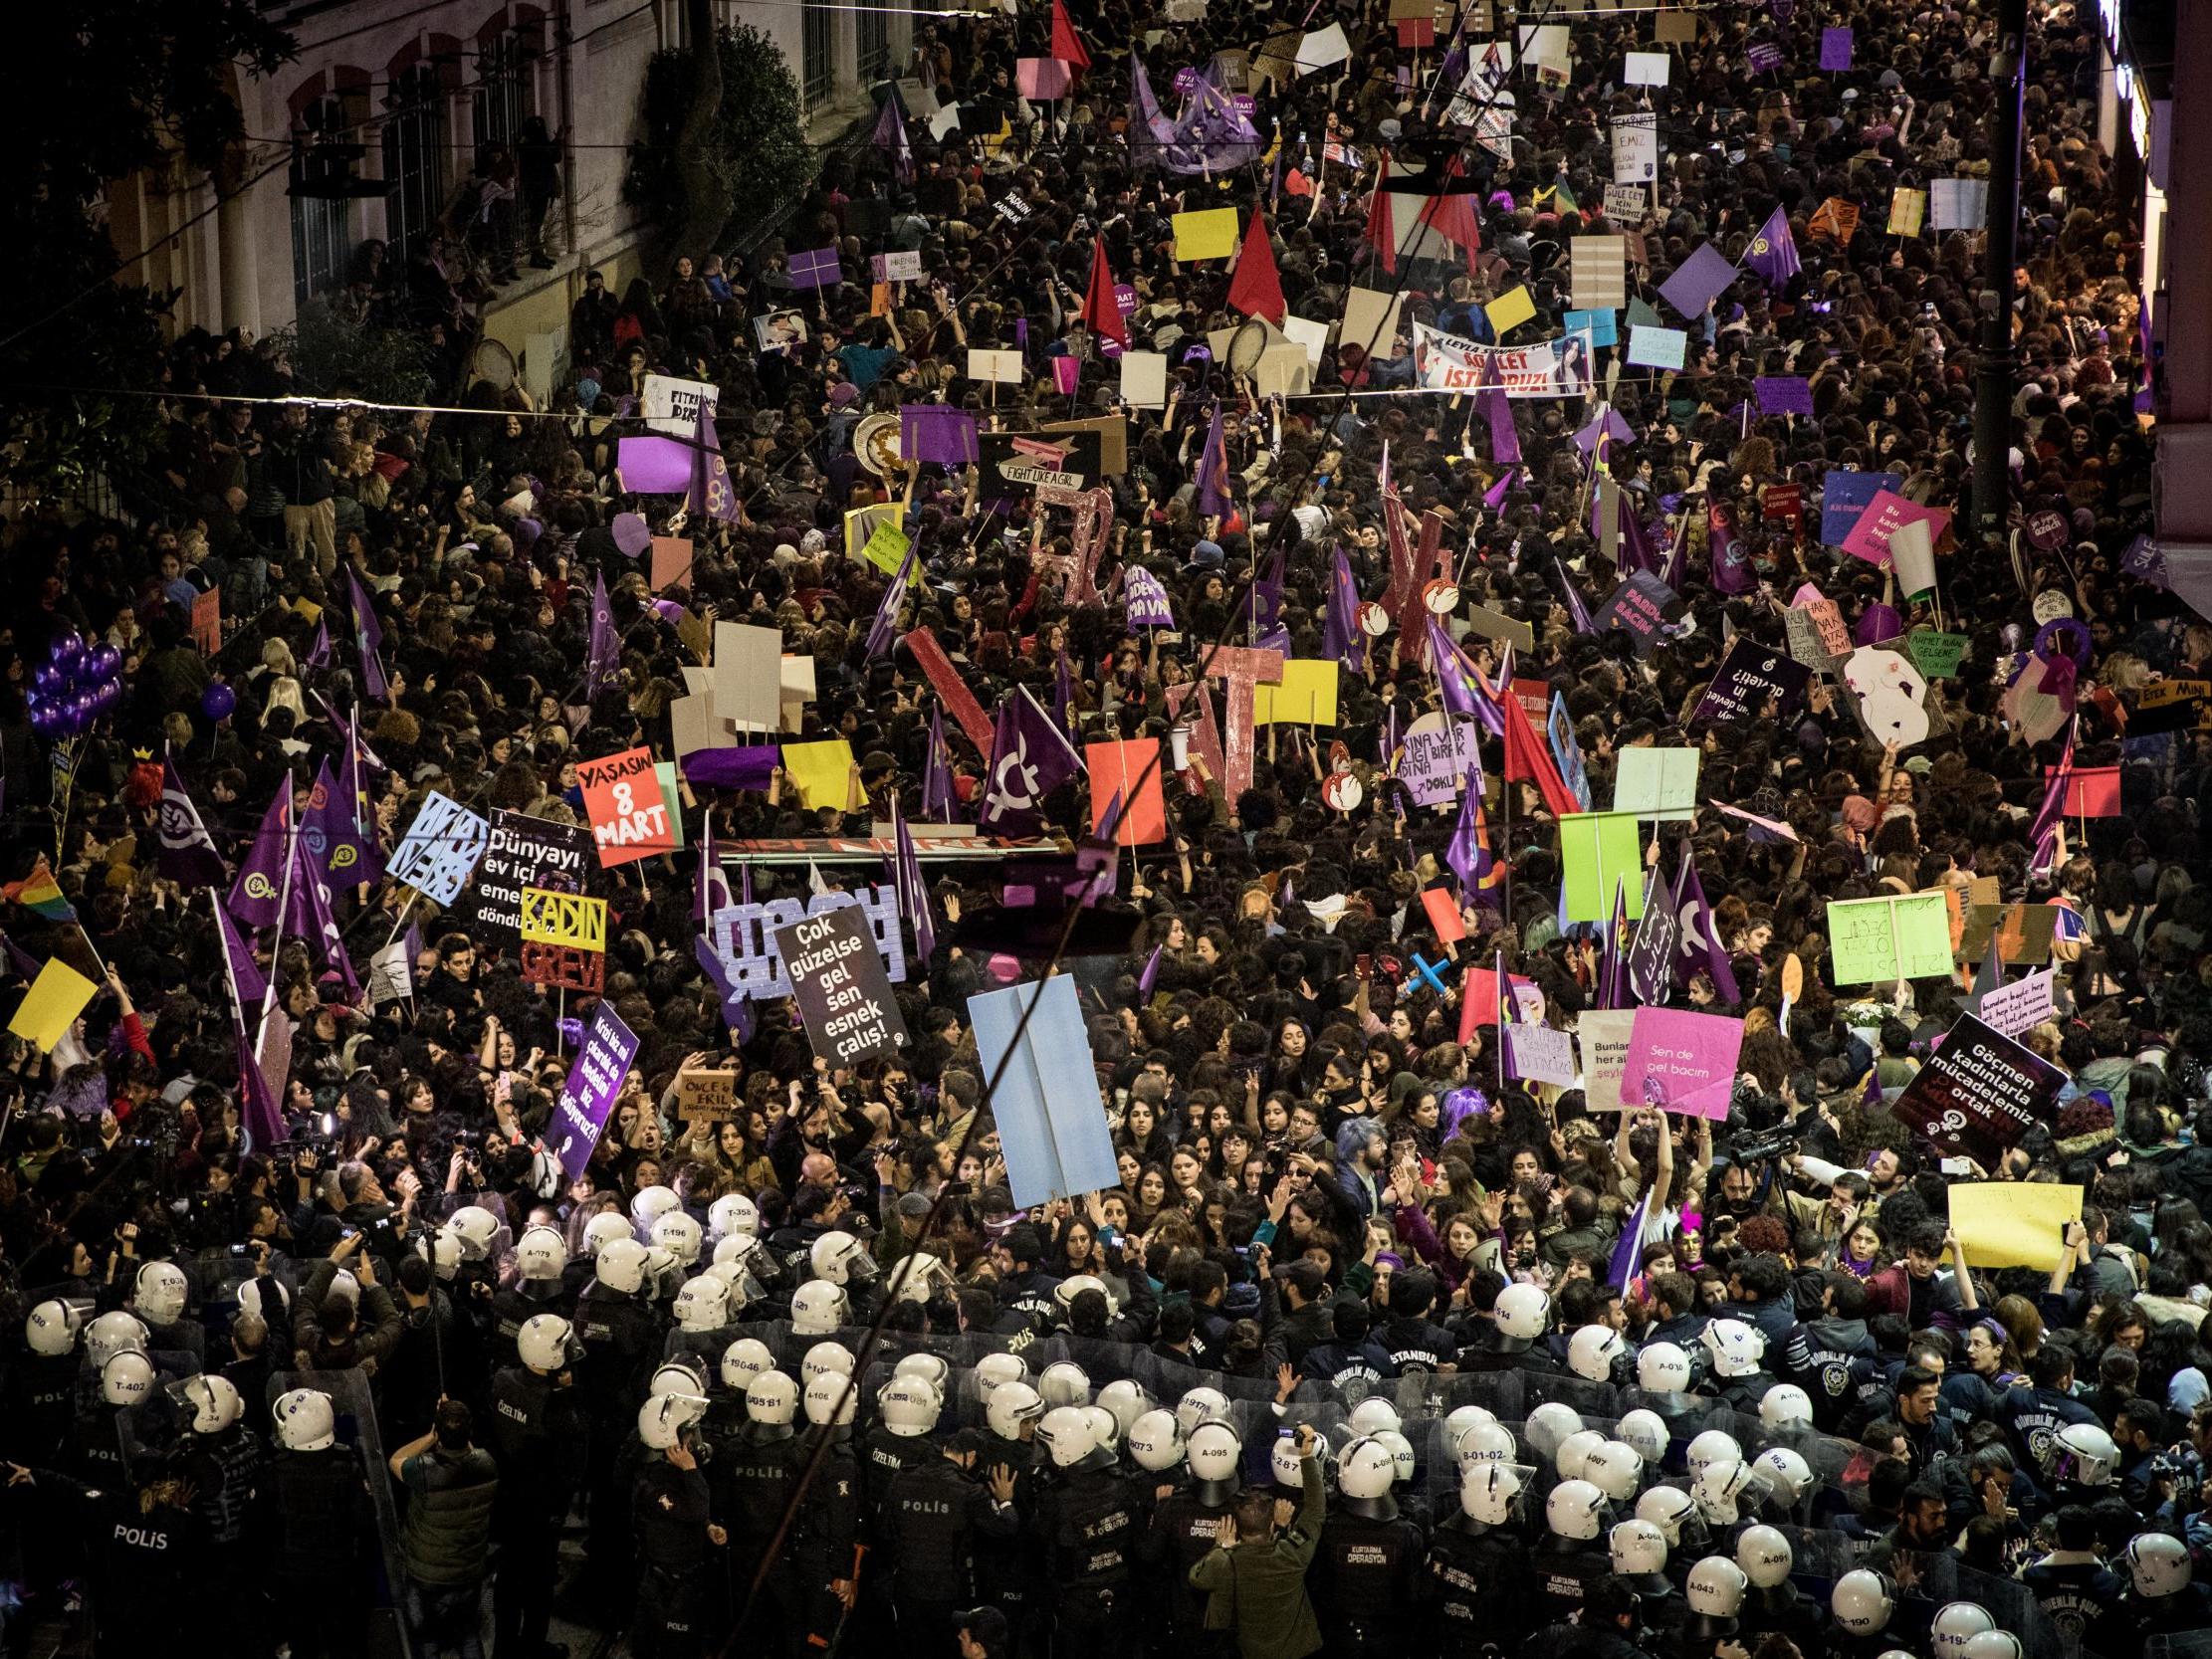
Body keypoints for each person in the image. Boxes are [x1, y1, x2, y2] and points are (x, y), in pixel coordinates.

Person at [1189, 1422, 1325, 1659]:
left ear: (1236, 1530)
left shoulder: (1225, 1563)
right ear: (1272, 1525)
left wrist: (1220, 1546)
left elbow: (1196, 1578)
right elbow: (1315, 1510)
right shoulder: (1292, 1554)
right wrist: (1306, 1457)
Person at [389, 1400, 501, 1659]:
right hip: (468, 1569)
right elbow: (469, 1452)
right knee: (468, 1635)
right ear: (469, 1433)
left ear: (439, 1435)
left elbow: (396, 1459)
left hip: (426, 1575)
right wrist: (454, 1428)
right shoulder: (487, 1464)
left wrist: (431, 1436)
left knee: (427, 1640)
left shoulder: (423, 1471)